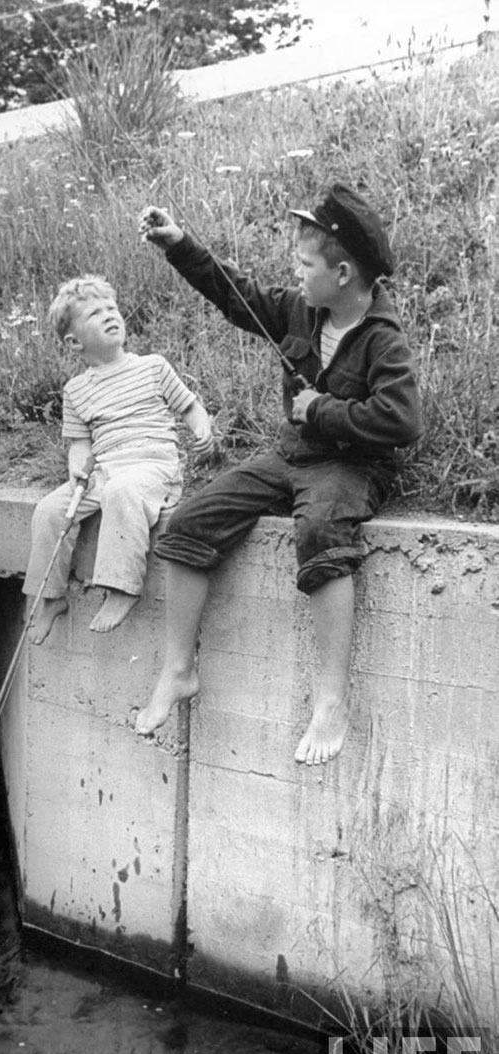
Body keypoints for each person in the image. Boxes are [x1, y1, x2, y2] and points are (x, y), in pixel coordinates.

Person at [135, 183, 422, 765]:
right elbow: (235, 293)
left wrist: (323, 409)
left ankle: (332, 699)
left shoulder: (384, 340)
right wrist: (179, 244)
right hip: (290, 458)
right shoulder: (301, 308)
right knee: (190, 521)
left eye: (304, 264)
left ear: (342, 273)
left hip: (349, 467)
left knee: (320, 533)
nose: (295, 273)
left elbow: (402, 418)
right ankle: (178, 668)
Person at [23, 274, 215, 644]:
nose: (110, 314)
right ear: (74, 341)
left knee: (122, 492)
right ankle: (49, 597)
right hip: (105, 471)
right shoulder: (76, 390)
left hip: (152, 466)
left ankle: (122, 586)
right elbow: (80, 444)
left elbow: (190, 407)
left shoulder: (152, 367)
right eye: (95, 313)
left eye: (111, 307)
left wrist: (202, 429)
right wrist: (77, 466)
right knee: (49, 510)